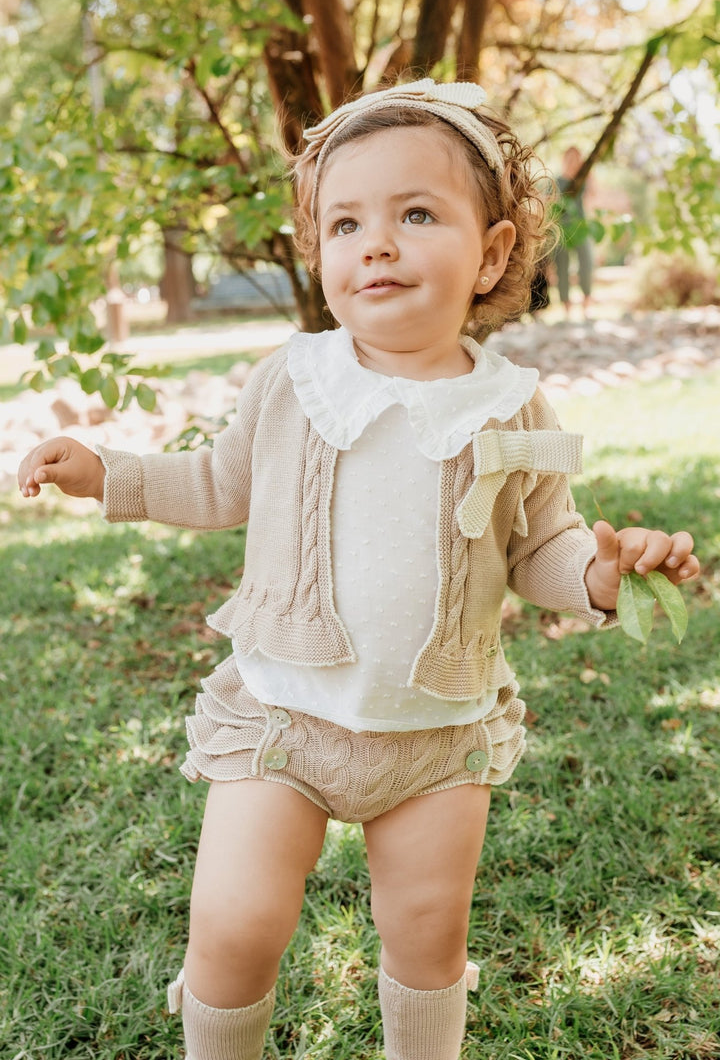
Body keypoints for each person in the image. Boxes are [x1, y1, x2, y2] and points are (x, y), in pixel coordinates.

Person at [17, 79, 699, 1060]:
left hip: (436, 735)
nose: (375, 243)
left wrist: (601, 570)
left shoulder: (514, 408)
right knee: (235, 928)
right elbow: (217, 483)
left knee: (427, 936)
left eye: (416, 214)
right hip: (283, 720)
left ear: (493, 252)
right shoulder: (294, 381)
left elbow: (539, 546)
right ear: (320, 251)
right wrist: (108, 474)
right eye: (346, 223)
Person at [553, 145, 594, 317]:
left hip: (580, 227)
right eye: (569, 158)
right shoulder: (557, 181)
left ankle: (586, 302)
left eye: (576, 158)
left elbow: (594, 196)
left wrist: (589, 176)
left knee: (586, 263)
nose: (573, 162)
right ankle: (567, 307)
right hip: (562, 229)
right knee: (562, 266)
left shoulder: (583, 181)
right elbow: (551, 204)